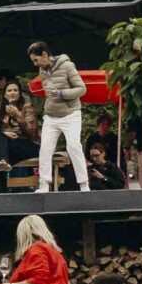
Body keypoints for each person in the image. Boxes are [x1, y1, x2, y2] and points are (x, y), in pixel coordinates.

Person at [28, 41, 94, 191]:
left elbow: (82, 89)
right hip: (51, 116)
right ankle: (44, 184)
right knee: (45, 148)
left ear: (44, 54)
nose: (35, 64)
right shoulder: (43, 71)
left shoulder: (67, 66)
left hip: (70, 114)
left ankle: (84, 184)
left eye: (36, 60)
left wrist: (60, 93)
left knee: (73, 146)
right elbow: (48, 91)